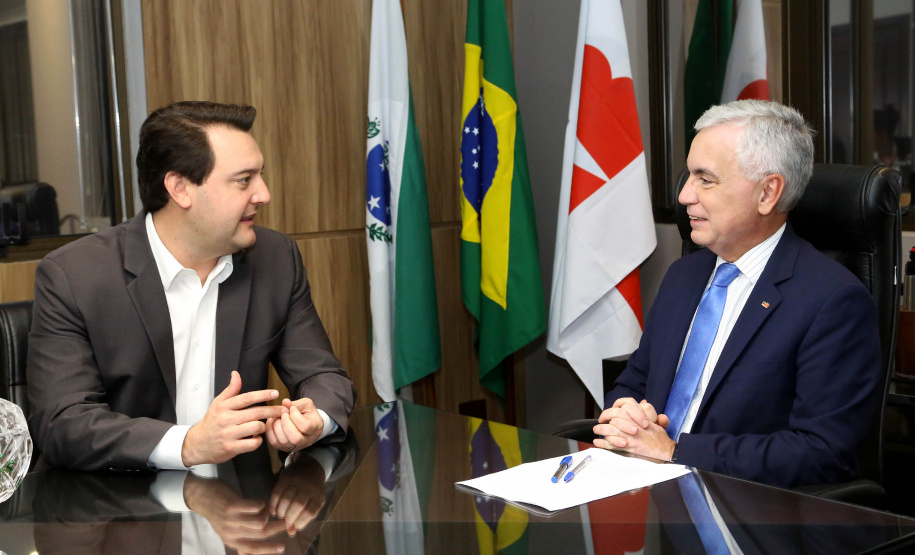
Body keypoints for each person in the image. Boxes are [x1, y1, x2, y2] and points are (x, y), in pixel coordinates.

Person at [27, 101, 356, 471]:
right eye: (244, 180)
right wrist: (188, 444)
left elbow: (323, 376)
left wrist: (313, 421)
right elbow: (62, 422)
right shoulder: (76, 275)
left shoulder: (276, 259)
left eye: (260, 176)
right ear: (180, 188)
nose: (263, 194)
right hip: (122, 510)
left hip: (242, 508)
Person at [594, 100, 882, 488]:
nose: (684, 196)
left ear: (768, 193)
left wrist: (673, 452)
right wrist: (625, 412)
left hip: (743, 509)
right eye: (688, 176)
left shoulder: (832, 301)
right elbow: (634, 381)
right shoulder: (684, 275)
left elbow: (823, 452)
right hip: (644, 488)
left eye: (705, 179)